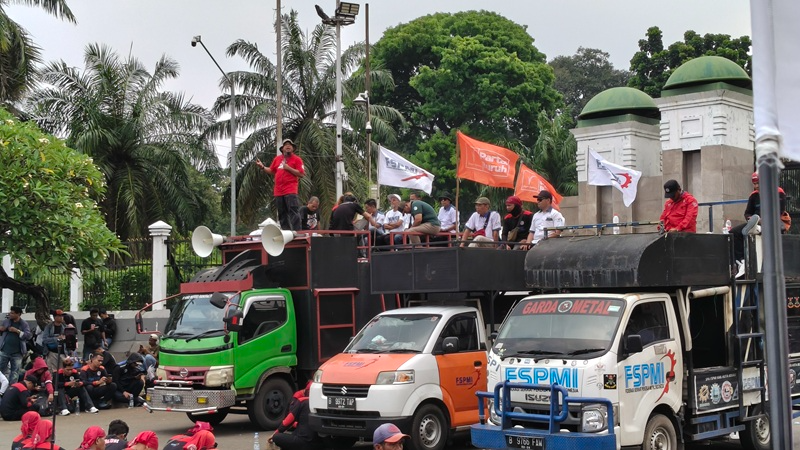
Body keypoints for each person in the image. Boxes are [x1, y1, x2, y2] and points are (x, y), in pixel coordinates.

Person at [255, 138, 306, 231]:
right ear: (282, 149)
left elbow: (301, 174)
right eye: (286, 145)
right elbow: (271, 170)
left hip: (290, 190)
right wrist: (262, 167)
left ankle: (297, 232)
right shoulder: (277, 159)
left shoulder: (297, 159)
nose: (288, 146)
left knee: (293, 211)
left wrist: (288, 168)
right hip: (278, 191)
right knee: (282, 214)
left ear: (293, 148)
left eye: (290, 145)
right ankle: (286, 232)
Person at [269, 382, 322, 450]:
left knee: (277, 437)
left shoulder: (302, 401)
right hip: (319, 444)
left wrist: (275, 434)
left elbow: (288, 421)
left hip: (303, 442)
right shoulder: (324, 403)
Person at [0, 305, 32, 383]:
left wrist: (17, 331)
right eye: (10, 313)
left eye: (12, 313)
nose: (10, 314)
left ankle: (12, 389)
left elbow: (28, 336)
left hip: (17, 353)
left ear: (18, 314)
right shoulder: (6, 321)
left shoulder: (24, 324)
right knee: (1, 370)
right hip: (4, 350)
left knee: (15, 372)